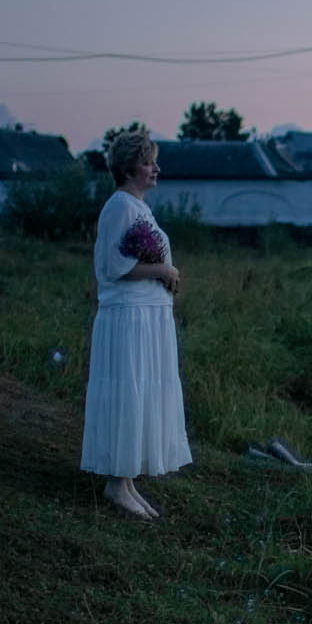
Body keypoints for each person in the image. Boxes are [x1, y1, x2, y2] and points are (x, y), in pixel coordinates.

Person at [81, 130, 191, 518]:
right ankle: (116, 483)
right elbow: (113, 268)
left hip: (147, 317)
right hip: (129, 318)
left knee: (141, 394)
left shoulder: (139, 207)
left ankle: (126, 482)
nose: (156, 168)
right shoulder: (120, 207)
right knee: (129, 392)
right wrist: (164, 268)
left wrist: (164, 275)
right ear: (128, 169)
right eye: (148, 162)